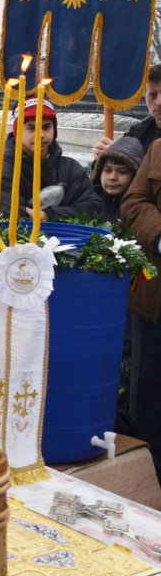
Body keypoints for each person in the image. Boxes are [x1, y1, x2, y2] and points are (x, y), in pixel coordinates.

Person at [0, 98, 101, 221]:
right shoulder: (5, 169)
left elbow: (92, 208)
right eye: (32, 128)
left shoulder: (70, 168)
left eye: (46, 127)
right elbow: (6, 212)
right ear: (18, 131)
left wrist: (48, 215)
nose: (41, 135)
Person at [122, 138, 161, 477]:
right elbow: (133, 202)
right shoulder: (158, 149)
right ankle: (147, 478)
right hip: (153, 299)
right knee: (146, 393)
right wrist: (159, 234)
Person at [94, 64, 161, 160]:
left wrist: (121, 157)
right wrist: (101, 160)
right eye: (153, 95)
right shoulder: (137, 132)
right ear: (145, 96)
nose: (159, 102)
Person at [93, 136, 144, 223]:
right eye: (108, 170)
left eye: (122, 172)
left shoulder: (141, 209)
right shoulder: (90, 199)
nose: (113, 177)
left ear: (136, 176)